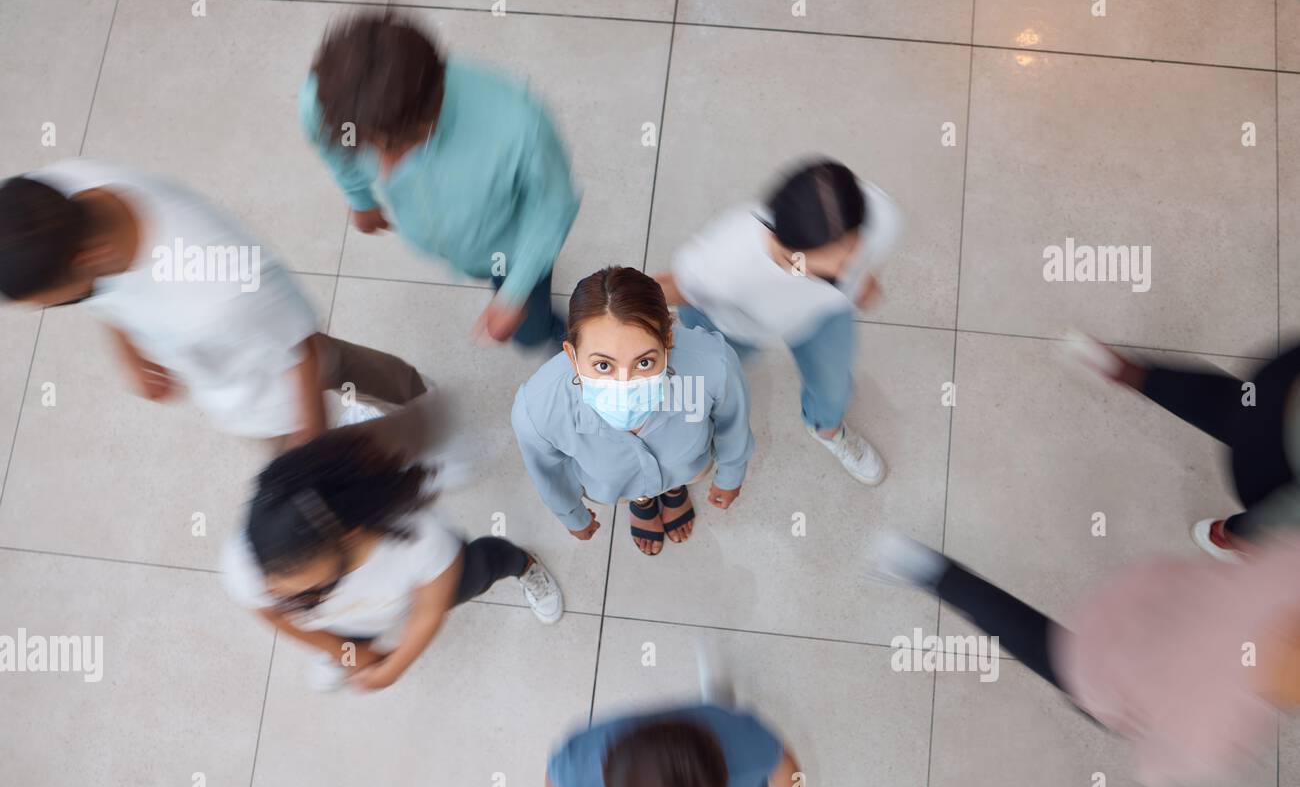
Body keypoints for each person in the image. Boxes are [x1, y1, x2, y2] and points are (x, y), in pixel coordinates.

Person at [0, 162, 426, 448]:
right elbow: (94, 291)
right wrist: (127, 346)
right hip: (229, 374)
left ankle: (422, 408)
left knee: (343, 366)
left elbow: (303, 350)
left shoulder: (221, 289)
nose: (45, 308)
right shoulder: (59, 191)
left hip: (272, 397)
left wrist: (309, 448)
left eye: (44, 303)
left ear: (85, 259)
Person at [872, 530, 1300, 787]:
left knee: (1025, 628)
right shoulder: (1219, 739)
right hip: (1099, 672)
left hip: (1136, 597)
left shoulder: (1291, 570)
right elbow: (1153, 763)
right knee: (1026, 636)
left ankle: (921, 565)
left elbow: (1254, 551)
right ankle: (929, 571)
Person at [221, 392, 563, 692]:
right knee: (345, 643)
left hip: (418, 588)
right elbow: (274, 615)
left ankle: (522, 563)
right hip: (358, 617)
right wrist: (343, 652)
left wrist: (395, 665)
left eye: (311, 592)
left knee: (484, 567)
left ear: (350, 540)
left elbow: (431, 609)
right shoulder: (251, 562)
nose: (295, 605)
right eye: (283, 593)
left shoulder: (419, 537)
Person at [300, 12, 579, 350]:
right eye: (369, 147)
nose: (387, 175)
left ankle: (572, 342)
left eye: (397, 147)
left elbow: (553, 206)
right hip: (460, 247)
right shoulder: (326, 100)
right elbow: (333, 149)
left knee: (529, 332)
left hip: (508, 248)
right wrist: (359, 197)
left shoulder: (521, 127)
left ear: (435, 105)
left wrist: (516, 292)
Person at [655, 158, 902, 485]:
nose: (844, 275)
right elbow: (665, 289)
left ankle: (828, 430)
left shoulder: (882, 217)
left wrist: (861, 278)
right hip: (735, 324)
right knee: (704, 389)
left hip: (822, 317)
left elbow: (861, 263)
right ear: (779, 238)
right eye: (824, 271)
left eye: (849, 260)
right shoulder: (724, 258)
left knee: (833, 388)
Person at [511, 266, 754, 556]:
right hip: (616, 486)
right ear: (572, 357)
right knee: (631, 492)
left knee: (685, 472)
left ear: (668, 342)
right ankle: (640, 501)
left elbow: (732, 426)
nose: (624, 385)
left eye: (644, 362)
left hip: (688, 467)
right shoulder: (536, 411)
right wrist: (571, 515)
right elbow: (548, 474)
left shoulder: (714, 364)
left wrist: (731, 475)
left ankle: (675, 489)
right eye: (603, 365)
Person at [1063, 332, 1300, 561]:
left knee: (1241, 407)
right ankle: (1225, 535)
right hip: (1272, 475)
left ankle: (1132, 373)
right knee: (1277, 523)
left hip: (1283, 385)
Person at [545, 646, 812, 787]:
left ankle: (717, 702)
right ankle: (716, 702)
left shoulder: (747, 743)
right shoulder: (577, 764)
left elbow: (786, 768)